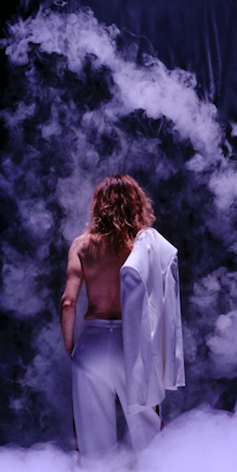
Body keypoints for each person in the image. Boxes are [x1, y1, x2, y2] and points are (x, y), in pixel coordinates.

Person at [60, 175, 184, 456]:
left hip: (91, 344)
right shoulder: (142, 245)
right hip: (131, 346)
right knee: (150, 439)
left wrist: (71, 346)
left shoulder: (81, 245)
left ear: (98, 205)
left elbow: (68, 302)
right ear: (136, 204)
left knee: (93, 448)